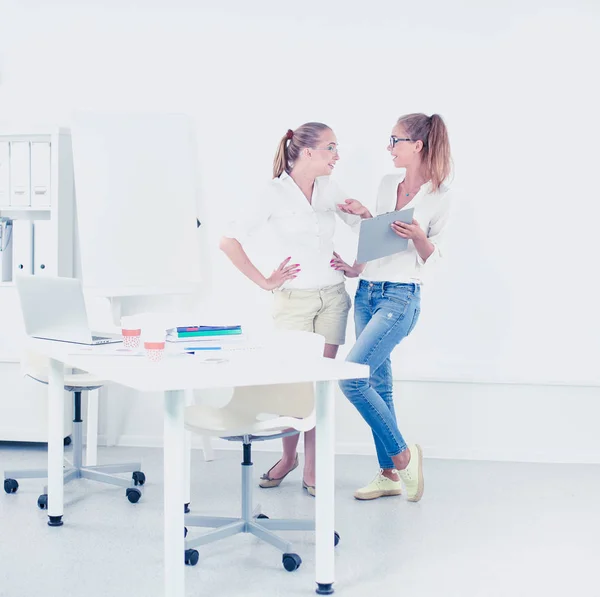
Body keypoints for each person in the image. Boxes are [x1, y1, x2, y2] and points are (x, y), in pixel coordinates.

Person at [220, 122, 366, 496]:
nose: (337, 155)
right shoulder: (273, 193)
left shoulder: (330, 189)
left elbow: (368, 229)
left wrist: (359, 249)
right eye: (331, 147)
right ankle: (289, 458)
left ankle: (312, 469)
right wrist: (265, 281)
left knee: (317, 387)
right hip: (294, 302)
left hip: (333, 297)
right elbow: (228, 241)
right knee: (294, 387)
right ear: (307, 152)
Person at [331, 112, 452, 502]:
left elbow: (435, 261)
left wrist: (419, 236)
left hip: (401, 297)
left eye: (395, 140)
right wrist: (365, 227)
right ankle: (388, 475)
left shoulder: (440, 196)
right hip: (368, 292)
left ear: (417, 145)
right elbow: (380, 238)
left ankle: (403, 456)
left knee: (352, 379)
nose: (389, 147)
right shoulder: (388, 184)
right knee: (378, 383)